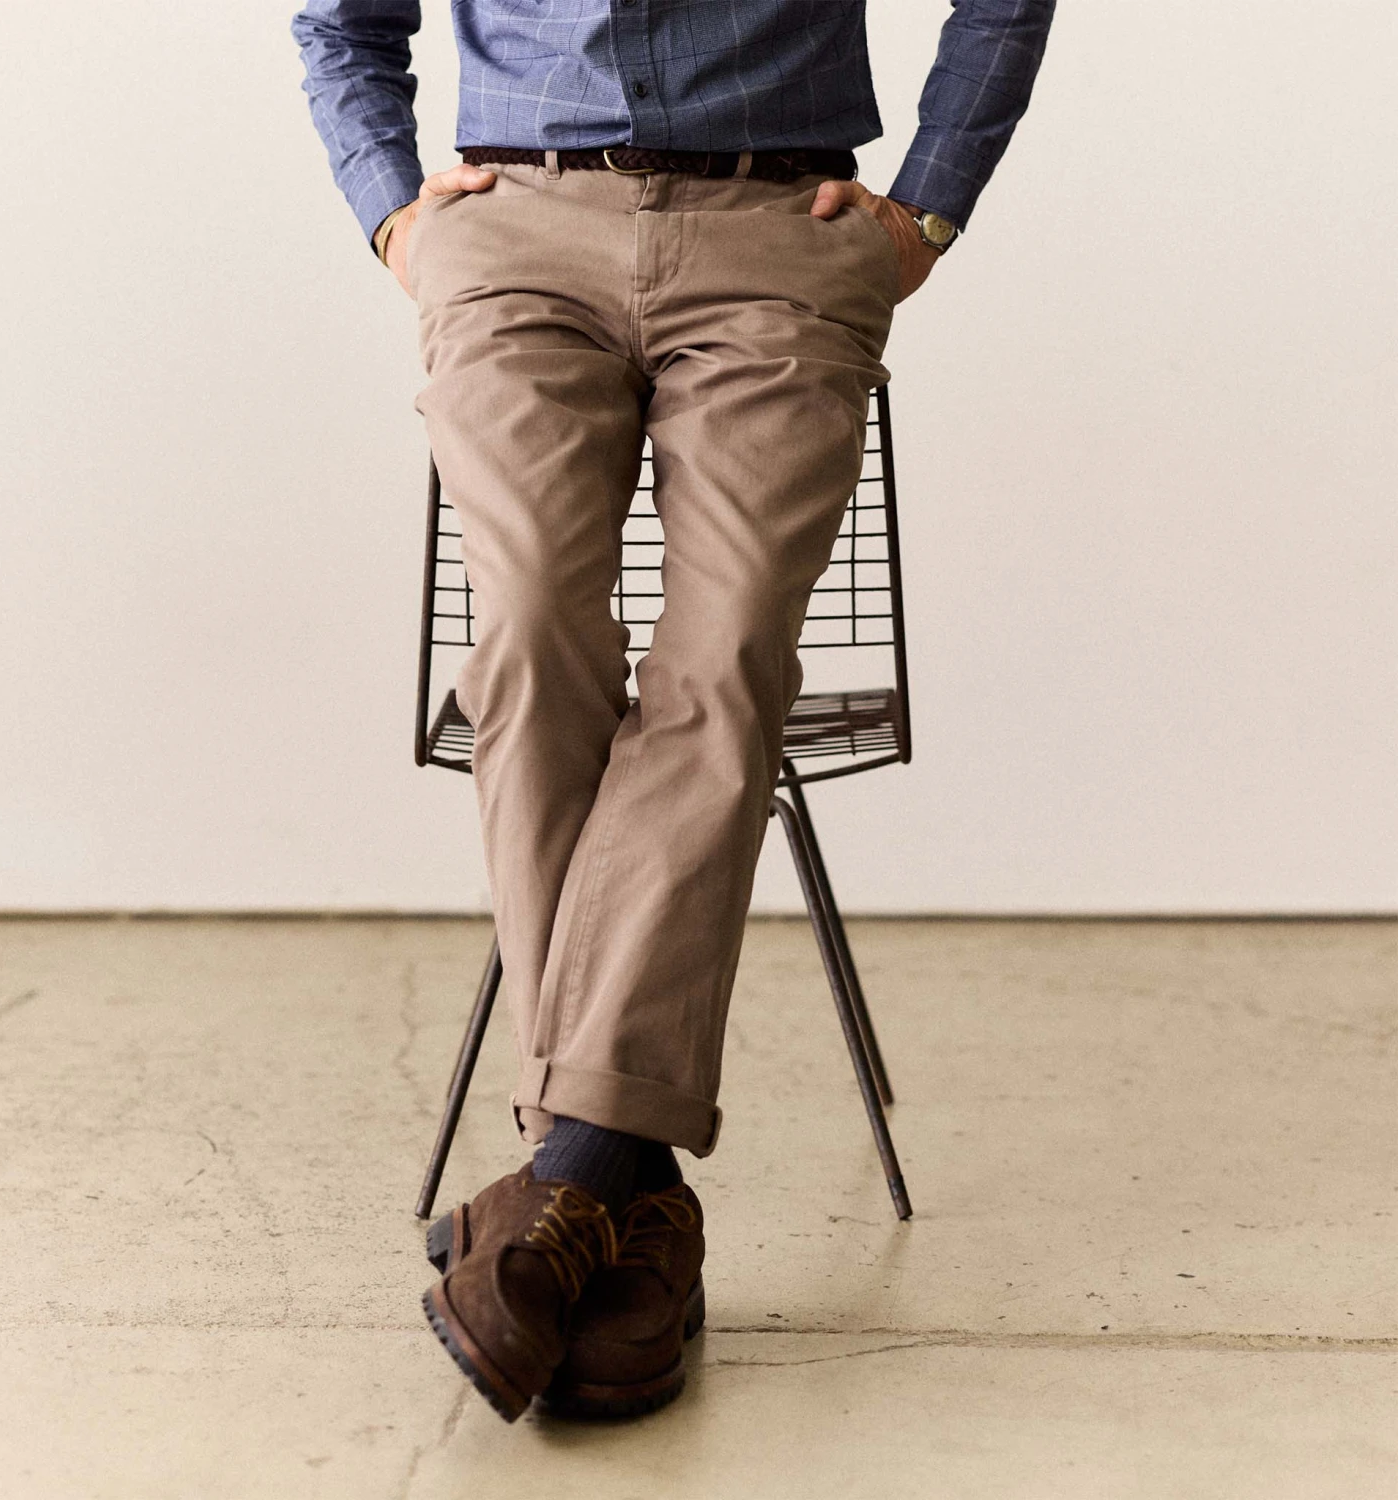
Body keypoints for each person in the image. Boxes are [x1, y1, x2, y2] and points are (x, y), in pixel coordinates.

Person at [292, 0, 1053, 1423]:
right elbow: (343, 18)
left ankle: (565, 1182)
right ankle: (623, 1191)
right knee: (529, 639)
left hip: (779, 237)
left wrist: (929, 205)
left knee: (725, 662)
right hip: (515, 234)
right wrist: (392, 210)